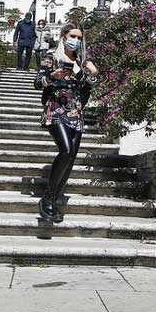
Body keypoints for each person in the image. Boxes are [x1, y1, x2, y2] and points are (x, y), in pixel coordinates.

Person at [33, 23, 98, 223]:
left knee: (71, 159)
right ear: (63, 36)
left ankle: (53, 200)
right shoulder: (52, 57)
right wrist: (52, 76)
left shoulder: (80, 62)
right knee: (66, 151)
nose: (76, 40)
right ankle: (47, 198)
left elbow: (85, 91)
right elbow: (37, 82)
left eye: (79, 38)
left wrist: (92, 76)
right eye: (72, 36)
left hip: (76, 113)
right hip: (56, 109)